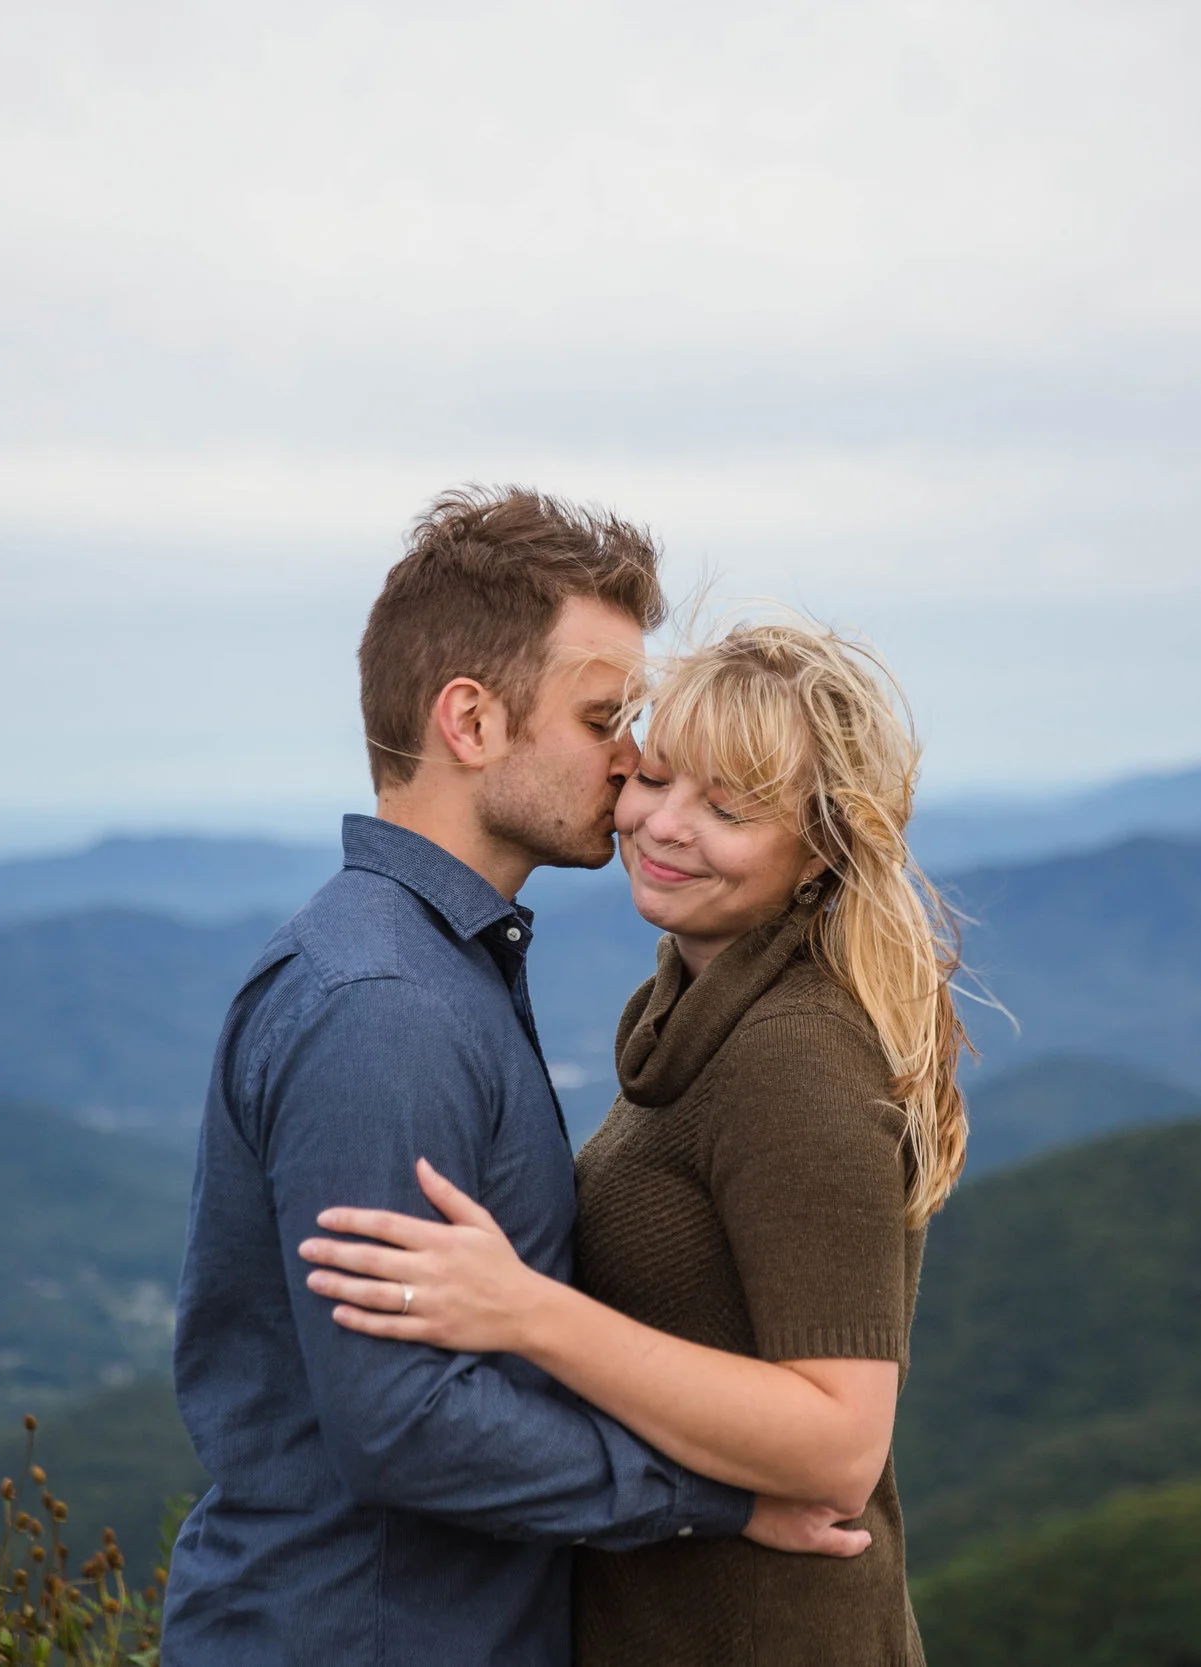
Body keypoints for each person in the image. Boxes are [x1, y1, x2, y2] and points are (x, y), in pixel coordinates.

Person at [162, 490, 868, 1667]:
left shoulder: (433, 969)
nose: (634, 756)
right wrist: (715, 1496)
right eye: (603, 717)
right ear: (471, 721)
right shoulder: (383, 1008)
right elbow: (403, 1420)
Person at [299, 618, 969, 1664]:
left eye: (728, 807)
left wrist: (528, 1312)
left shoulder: (792, 1057)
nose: (663, 823)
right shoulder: (694, 1016)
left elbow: (841, 1444)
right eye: (654, 776)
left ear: (819, 849)